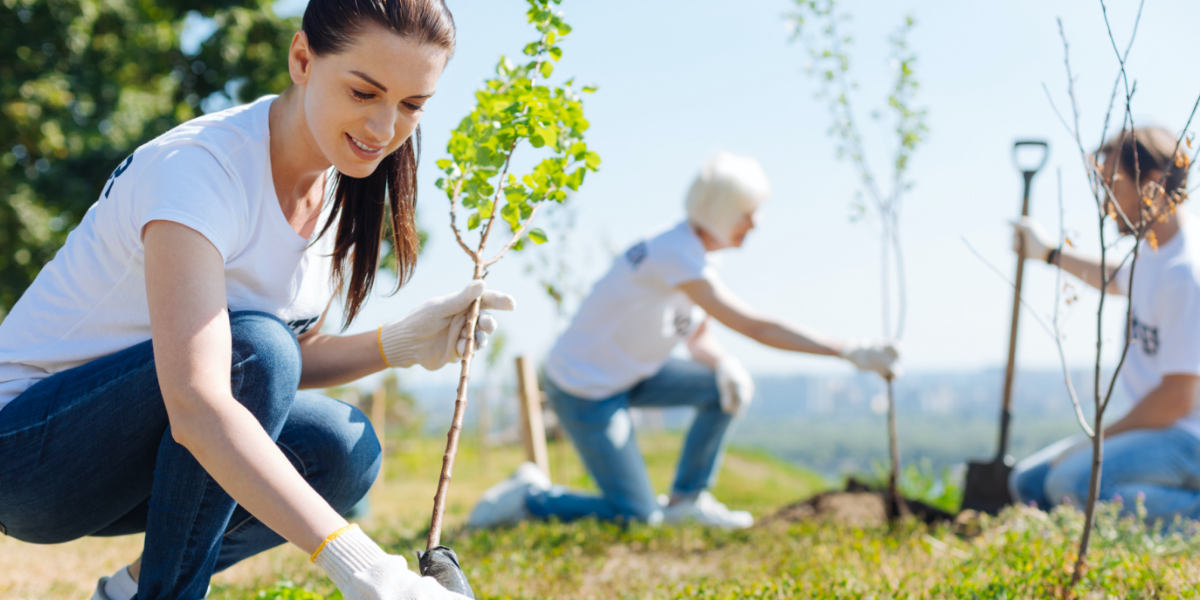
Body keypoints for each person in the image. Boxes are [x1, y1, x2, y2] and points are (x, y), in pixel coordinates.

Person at [0, 2, 508, 599]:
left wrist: (397, 344)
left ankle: (133, 593)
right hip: (28, 456)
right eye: (364, 93)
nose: (383, 128)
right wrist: (368, 570)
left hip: (136, 456)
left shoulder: (334, 185)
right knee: (256, 351)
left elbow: (291, 354)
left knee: (341, 449)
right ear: (301, 59)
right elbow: (203, 398)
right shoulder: (200, 169)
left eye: (411, 105)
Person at [467, 152, 902, 530]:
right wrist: (848, 350)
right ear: (721, 211)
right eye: (747, 213)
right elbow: (755, 327)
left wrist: (722, 365)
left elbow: (697, 338)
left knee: (721, 387)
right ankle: (531, 497)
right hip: (585, 388)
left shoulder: (692, 257)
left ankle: (687, 500)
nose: (756, 223)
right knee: (636, 514)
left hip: (633, 373)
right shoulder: (675, 253)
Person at [1009, 127, 1200, 523]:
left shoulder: (1186, 274)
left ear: (1149, 185)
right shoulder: (1157, 250)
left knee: (1070, 483)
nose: (1106, 205)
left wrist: (1094, 440)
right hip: (1161, 431)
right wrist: (1048, 254)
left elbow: (1176, 401)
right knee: (1029, 482)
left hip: (1187, 436)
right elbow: (1118, 279)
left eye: (1113, 186)